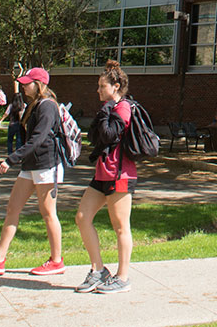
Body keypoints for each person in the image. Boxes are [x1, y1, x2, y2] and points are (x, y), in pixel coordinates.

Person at [0, 68, 66, 277]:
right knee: (12, 208)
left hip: (46, 165)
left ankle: (56, 261)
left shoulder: (48, 106)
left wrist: (11, 159)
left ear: (39, 84)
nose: (24, 86)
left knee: (48, 213)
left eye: (27, 83)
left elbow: (38, 139)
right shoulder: (34, 105)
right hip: (30, 165)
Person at [74, 60, 137, 294]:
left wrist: (104, 112)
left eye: (102, 86)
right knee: (82, 217)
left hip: (120, 175)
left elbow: (110, 135)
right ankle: (98, 270)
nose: (98, 90)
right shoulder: (109, 108)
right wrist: (103, 113)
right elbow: (95, 137)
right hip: (102, 173)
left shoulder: (123, 108)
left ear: (116, 86)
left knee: (121, 227)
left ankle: (123, 277)